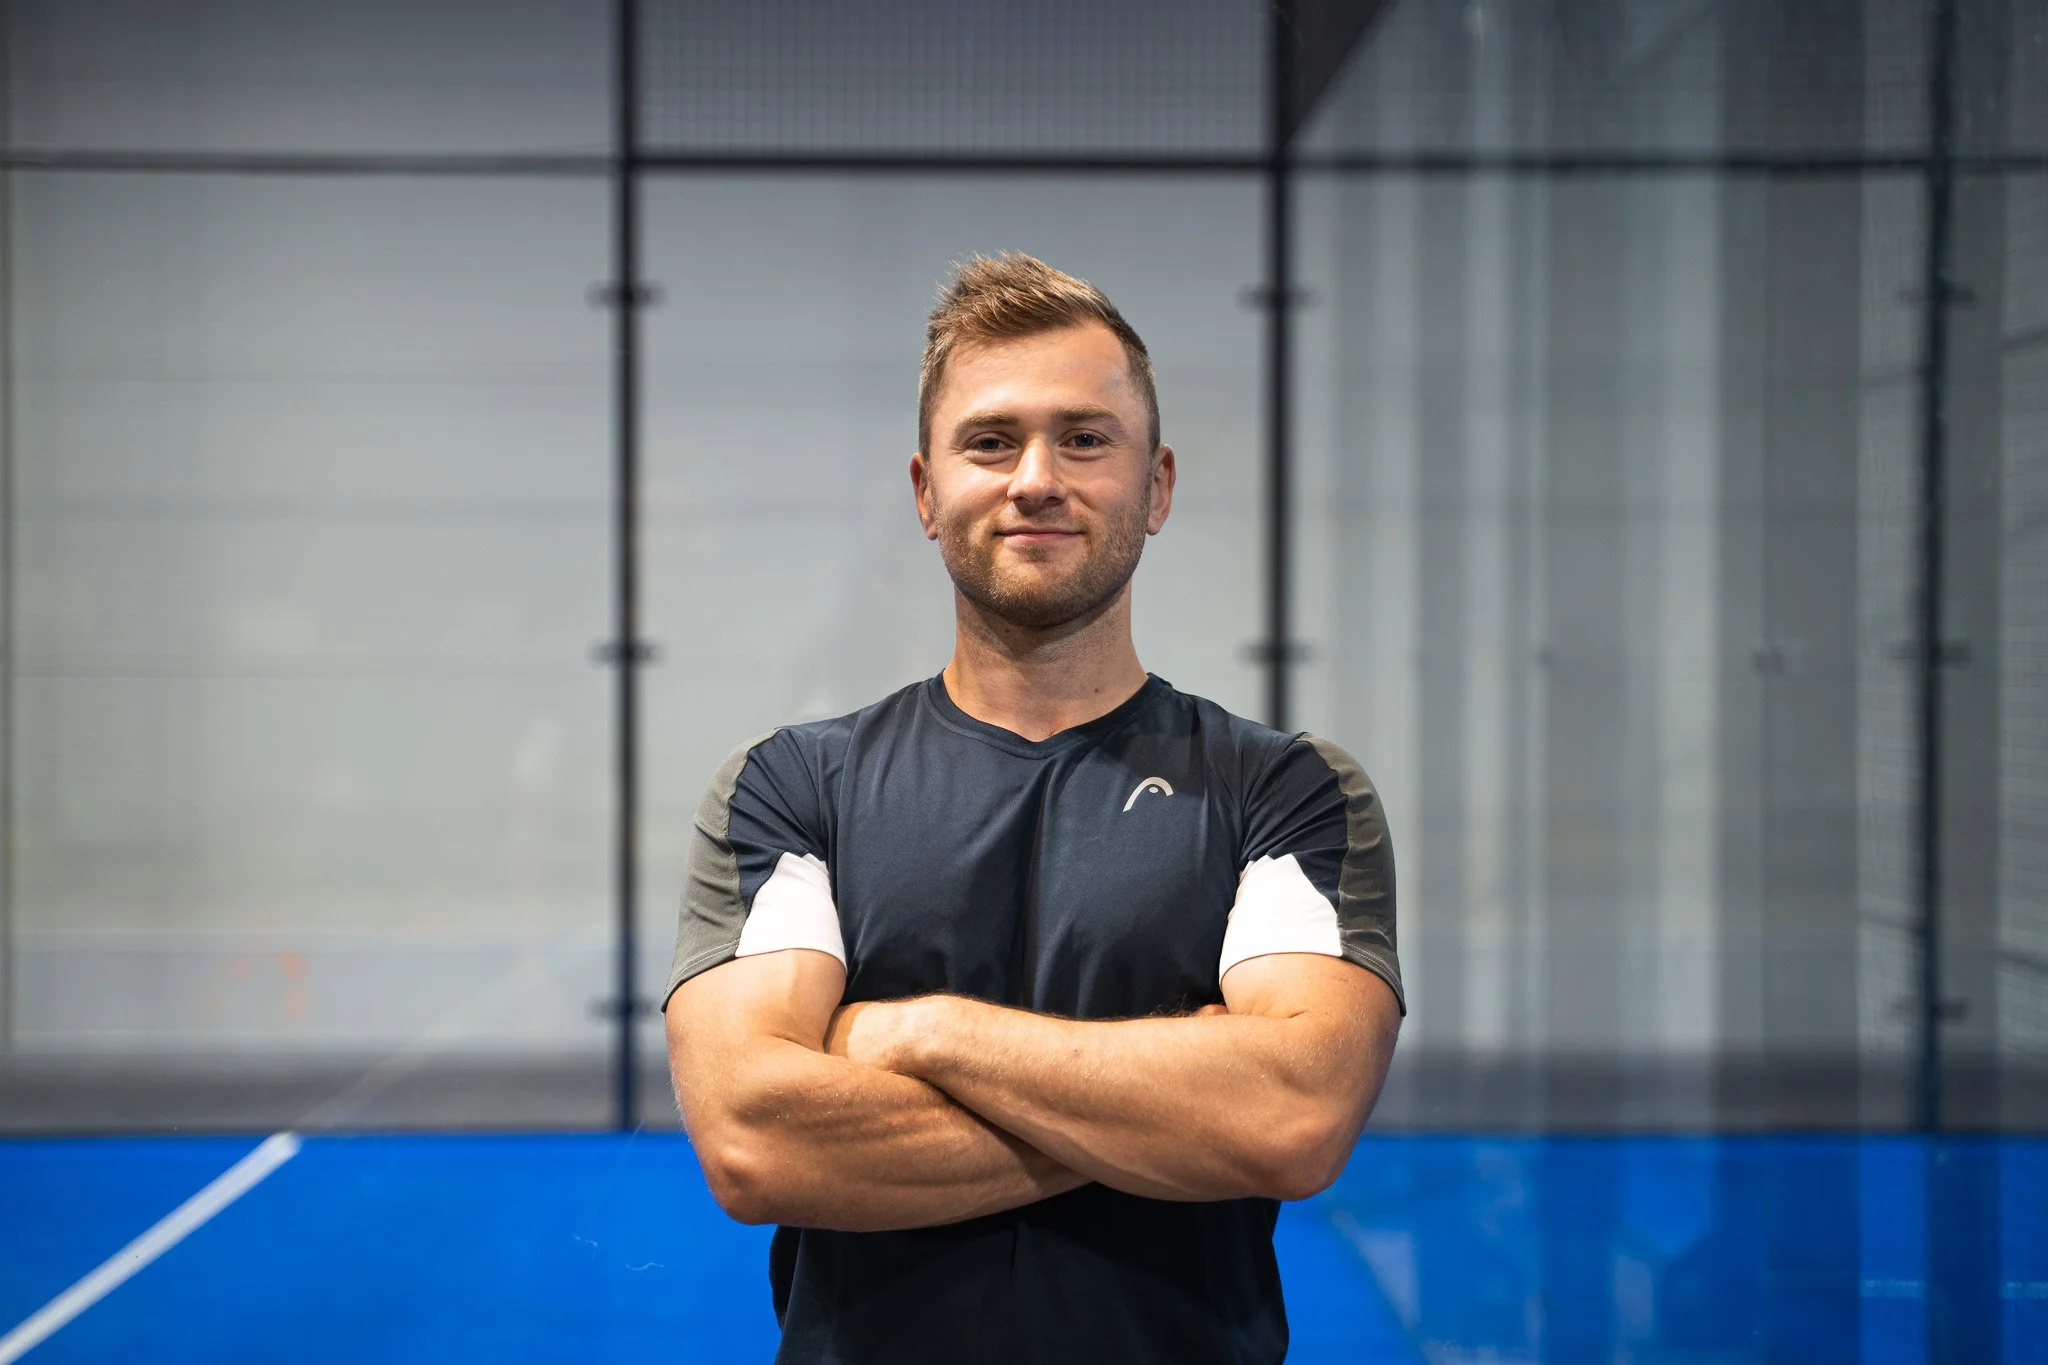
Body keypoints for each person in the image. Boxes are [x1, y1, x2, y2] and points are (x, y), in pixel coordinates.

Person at [662, 252, 1403, 1365]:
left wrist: (915, 1031)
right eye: (990, 440)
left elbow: (1290, 1120)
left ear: (1154, 488)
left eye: (1084, 438)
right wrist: (1175, 1099)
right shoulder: (789, 789)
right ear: (926, 492)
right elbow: (755, 1142)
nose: (1036, 478)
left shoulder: (1284, 793)